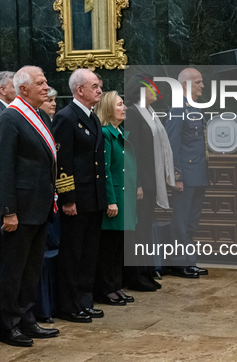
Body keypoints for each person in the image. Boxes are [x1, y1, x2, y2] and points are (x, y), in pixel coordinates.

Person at [0, 66, 60, 346]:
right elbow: (4, 168)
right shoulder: (11, 118)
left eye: (45, 83)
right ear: (23, 90)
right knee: (15, 269)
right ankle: (10, 324)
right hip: (20, 208)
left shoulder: (40, 114)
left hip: (40, 206)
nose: (46, 88)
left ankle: (27, 317)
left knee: (33, 267)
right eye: (40, 83)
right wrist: (8, 210)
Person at [52, 68, 106, 323]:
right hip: (77, 198)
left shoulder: (93, 117)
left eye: (99, 86)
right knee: (73, 254)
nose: (99, 90)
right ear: (79, 90)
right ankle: (68, 304)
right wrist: (68, 198)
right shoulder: (66, 117)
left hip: (93, 196)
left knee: (89, 253)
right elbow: (63, 162)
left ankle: (85, 300)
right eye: (94, 86)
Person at [124, 79, 175, 291]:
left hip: (152, 181)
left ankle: (146, 273)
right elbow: (131, 151)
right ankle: (135, 277)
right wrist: (137, 184)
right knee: (137, 232)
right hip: (141, 183)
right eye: (152, 88)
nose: (156, 91)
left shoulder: (150, 112)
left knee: (145, 230)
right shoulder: (133, 114)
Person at [93, 91, 137, 305]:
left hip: (125, 196)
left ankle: (116, 285)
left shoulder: (121, 132)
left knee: (120, 245)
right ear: (109, 109)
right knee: (109, 247)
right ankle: (106, 287)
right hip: (115, 198)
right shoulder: (106, 133)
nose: (124, 107)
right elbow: (106, 170)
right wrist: (110, 200)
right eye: (120, 104)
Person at [164, 68, 209, 278]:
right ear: (185, 85)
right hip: (186, 176)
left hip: (198, 173)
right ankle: (179, 262)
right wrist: (177, 176)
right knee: (181, 221)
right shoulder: (177, 109)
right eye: (198, 82)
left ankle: (189, 260)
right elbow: (172, 145)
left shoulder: (192, 107)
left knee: (192, 220)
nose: (202, 85)